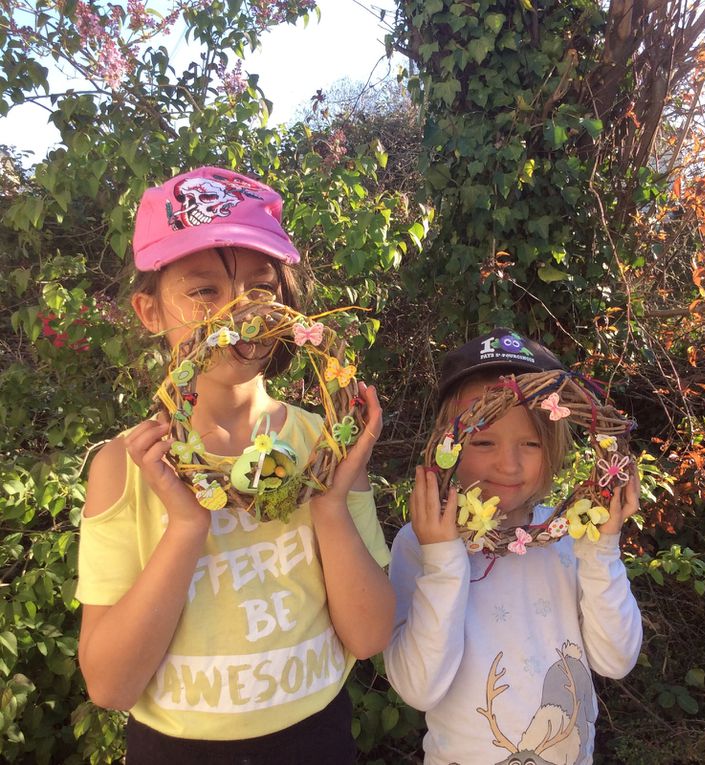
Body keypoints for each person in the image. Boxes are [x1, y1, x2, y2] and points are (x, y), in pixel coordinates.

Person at [76, 166, 395, 764]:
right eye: (203, 292)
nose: (239, 313)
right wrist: (188, 527)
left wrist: (328, 501)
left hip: (315, 740)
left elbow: (370, 636)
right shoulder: (125, 467)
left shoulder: (326, 442)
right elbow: (110, 686)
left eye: (261, 287)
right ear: (150, 313)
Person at [383, 328, 642, 765]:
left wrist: (603, 547)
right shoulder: (420, 544)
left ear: (554, 444)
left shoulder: (573, 537)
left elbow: (615, 660)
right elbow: (418, 688)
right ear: (447, 446)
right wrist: (444, 560)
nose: (509, 464)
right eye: (483, 441)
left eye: (531, 443)